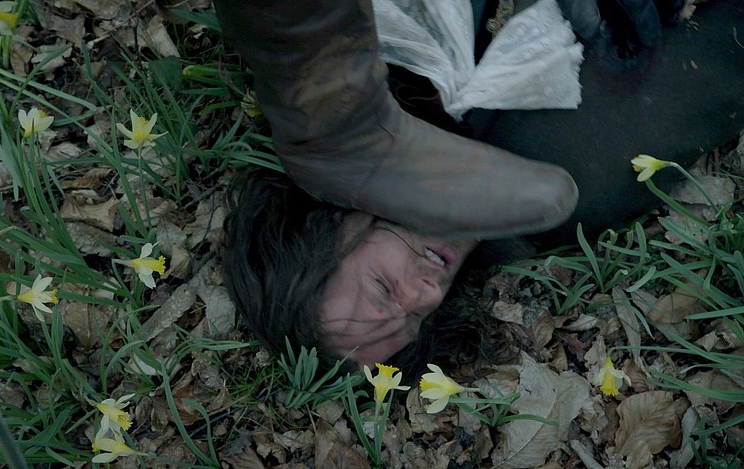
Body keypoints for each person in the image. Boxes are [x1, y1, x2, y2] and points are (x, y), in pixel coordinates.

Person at [219, 0, 744, 368]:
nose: (427, 293)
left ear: (330, 221)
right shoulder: (569, 180)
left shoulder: (337, 61)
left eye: (384, 287)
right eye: (415, 319)